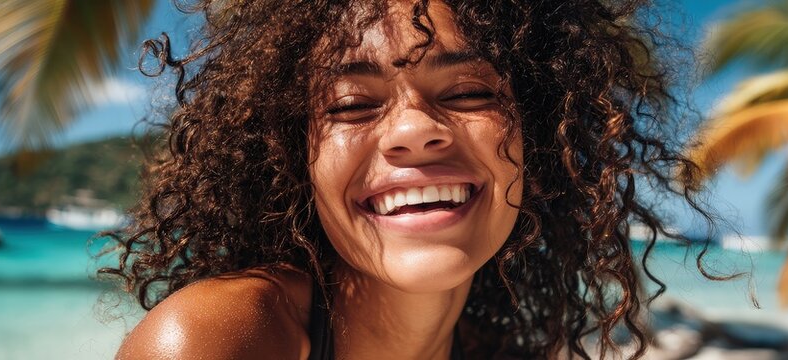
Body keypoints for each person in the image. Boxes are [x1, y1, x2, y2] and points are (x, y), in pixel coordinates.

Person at [104, 0, 710, 358]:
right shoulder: (222, 342)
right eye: (349, 104)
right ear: (293, 160)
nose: (414, 130)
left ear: (542, 142)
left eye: (470, 91)